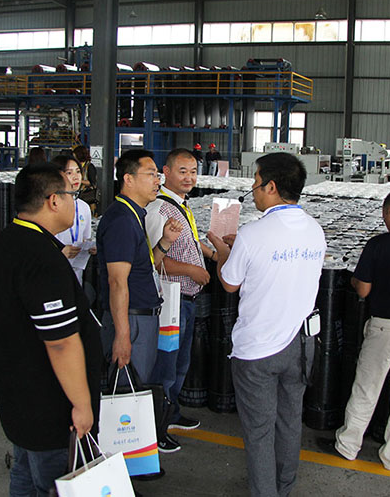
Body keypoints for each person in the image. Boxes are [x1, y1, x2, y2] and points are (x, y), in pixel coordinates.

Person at [207, 152, 326, 497]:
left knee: (259, 433)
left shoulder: (252, 234)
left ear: (271, 187)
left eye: (256, 184)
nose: (254, 192)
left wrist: (222, 253)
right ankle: (283, 489)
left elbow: (230, 283)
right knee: (289, 423)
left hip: (258, 350)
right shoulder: (314, 230)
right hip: (301, 345)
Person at [0, 163, 103, 496]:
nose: (75, 202)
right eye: (71, 195)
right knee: (53, 483)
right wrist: (82, 404)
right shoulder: (42, 258)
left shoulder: (8, 241)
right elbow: (61, 342)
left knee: (24, 474)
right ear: (53, 200)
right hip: (49, 407)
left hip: (18, 396)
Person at [332, 191, 390, 471]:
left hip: (385, 326)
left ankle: (348, 445)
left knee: (367, 387)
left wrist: (355, 282)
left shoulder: (379, 244)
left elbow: (364, 289)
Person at [146, 148, 217, 453]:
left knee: (179, 364)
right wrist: (191, 270)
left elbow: (190, 242)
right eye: (182, 171)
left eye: (193, 172)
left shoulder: (181, 205)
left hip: (187, 300)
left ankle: (171, 414)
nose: (189, 177)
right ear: (166, 172)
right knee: (165, 366)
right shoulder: (159, 210)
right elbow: (152, 260)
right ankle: (155, 429)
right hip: (170, 300)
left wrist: (212, 254)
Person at [96, 149, 183, 386]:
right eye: (151, 174)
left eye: (157, 175)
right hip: (131, 321)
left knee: (139, 383)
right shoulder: (121, 221)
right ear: (129, 179)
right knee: (127, 389)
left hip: (140, 319)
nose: (157, 181)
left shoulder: (134, 215)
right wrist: (123, 336)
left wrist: (165, 242)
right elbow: (117, 281)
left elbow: (145, 267)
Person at [52, 154, 95, 284]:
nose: (76, 177)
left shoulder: (84, 207)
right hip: (53, 272)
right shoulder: (50, 206)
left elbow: (86, 237)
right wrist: (59, 251)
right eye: (69, 173)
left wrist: (90, 247)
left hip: (76, 274)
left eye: (78, 172)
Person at [73, 145, 98, 212]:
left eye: (75, 156)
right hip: (78, 195)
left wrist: (80, 181)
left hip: (87, 196)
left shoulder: (89, 167)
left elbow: (92, 183)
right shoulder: (77, 166)